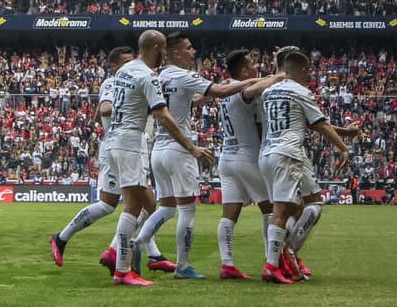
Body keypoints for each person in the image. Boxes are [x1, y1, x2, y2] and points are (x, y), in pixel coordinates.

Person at [132, 33, 255, 281]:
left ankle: (137, 243)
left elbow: (191, 101)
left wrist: (211, 95)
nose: (193, 52)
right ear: (176, 53)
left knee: (166, 208)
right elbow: (219, 91)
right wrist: (252, 81)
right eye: (189, 48)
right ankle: (182, 266)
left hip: (159, 150)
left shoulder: (161, 76)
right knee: (187, 210)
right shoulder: (185, 75)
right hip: (179, 149)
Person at [104, 30, 215, 287]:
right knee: (133, 207)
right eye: (163, 49)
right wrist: (192, 148)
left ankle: (123, 257)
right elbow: (164, 116)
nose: (163, 55)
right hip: (132, 142)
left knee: (145, 205)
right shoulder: (148, 75)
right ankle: (121, 267)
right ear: (156, 48)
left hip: (116, 141)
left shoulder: (124, 70)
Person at [258, 50, 351, 285]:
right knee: (282, 211)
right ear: (300, 70)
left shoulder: (268, 91)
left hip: (266, 153)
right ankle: (272, 264)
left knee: (293, 206)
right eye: (307, 72)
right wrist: (343, 147)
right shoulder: (301, 91)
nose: (308, 76)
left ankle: (281, 259)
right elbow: (320, 125)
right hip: (288, 153)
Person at [50, 45, 141, 269]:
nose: (131, 65)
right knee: (143, 203)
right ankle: (118, 253)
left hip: (118, 146)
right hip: (120, 148)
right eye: (126, 62)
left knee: (111, 205)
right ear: (113, 66)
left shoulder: (122, 83)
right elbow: (107, 108)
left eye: (133, 61)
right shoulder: (113, 83)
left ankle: (62, 238)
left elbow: (99, 116)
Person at [215, 48, 284, 280]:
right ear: (244, 71)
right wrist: (282, 72)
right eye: (253, 64)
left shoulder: (225, 87)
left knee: (228, 215)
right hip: (247, 157)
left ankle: (227, 264)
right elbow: (254, 89)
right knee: (271, 211)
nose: (257, 67)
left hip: (226, 157)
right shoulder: (241, 89)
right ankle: (271, 261)